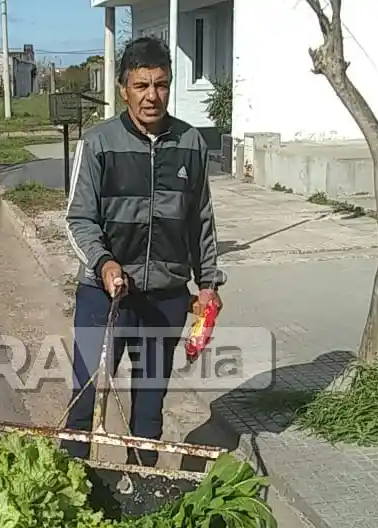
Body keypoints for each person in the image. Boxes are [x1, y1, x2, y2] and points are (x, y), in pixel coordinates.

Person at [61, 35, 225, 466]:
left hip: (165, 300)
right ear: (124, 89)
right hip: (105, 297)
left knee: (150, 409)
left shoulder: (191, 143)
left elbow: (201, 221)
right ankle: (72, 485)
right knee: (86, 399)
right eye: (141, 85)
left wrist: (208, 283)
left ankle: (141, 489)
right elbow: (77, 218)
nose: (152, 96)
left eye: (161, 84)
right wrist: (104, 263)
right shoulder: (98, 143)